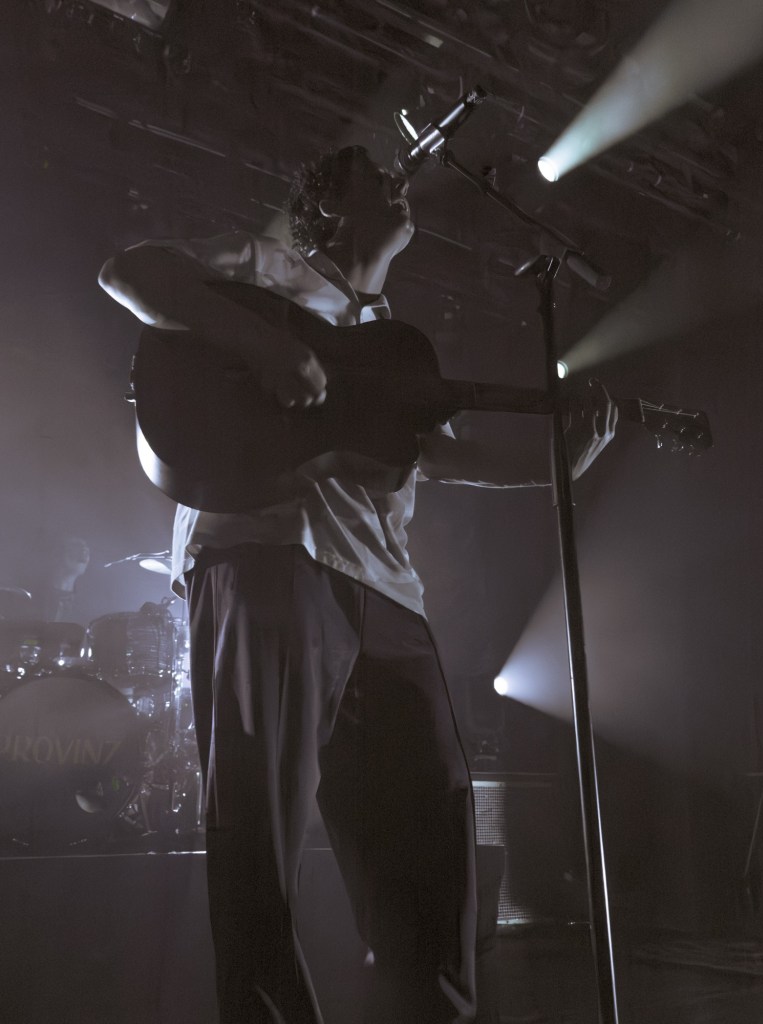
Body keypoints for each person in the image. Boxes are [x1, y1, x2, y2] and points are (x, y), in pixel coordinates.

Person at [98, 144, 615, 1024]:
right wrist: (264, 342)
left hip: (389, 596)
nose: (398, 184)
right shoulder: (268, 265)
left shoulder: (391, 339)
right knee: (258, 840)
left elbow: (441, 454)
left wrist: (556, 465)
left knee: (433, 839)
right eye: (377, 178)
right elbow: (131, 273)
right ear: (327, 207)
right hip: (267, 552)